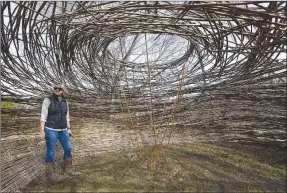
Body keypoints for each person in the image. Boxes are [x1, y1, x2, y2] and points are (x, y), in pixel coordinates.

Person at [40, 83, 79, 183]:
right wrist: (42, 130)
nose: (57, 90)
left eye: (59, 88)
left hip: (63, 130)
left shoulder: (65, 101)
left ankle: (68, 169)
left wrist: (69, 128)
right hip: (50, 129)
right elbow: (43, 116)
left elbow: (67, 116)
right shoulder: (48, 100)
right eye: (55, 88)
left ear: (63, 90)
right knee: (50, 151)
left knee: (68, 148)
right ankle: (51, 176)